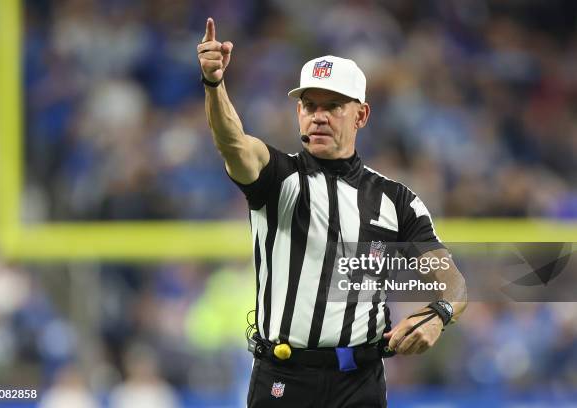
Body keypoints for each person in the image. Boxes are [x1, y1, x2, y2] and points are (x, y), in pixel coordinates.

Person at [197, 17, 467, 408]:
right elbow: (233, 143)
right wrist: (214, 84)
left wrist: (439, 314)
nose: (318, 116)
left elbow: (454, 283)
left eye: (333, 106)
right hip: (283, 377)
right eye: (309, 105)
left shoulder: (396, 199)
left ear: (361, 115)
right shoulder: (278, 177)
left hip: (360, 382)